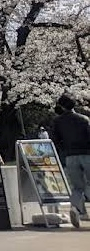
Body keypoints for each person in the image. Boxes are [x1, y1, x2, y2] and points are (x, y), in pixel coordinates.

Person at [51, 93, 90, 229]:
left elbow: (55, 140)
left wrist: (64, 150)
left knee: (77, 187)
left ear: (61, 106)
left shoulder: (58, 122)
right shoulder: (84, 119)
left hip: (70, 156)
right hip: (86, 154)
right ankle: (81, 207)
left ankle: (75, 207)